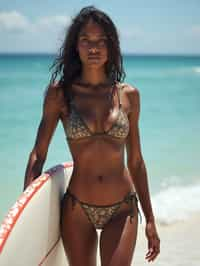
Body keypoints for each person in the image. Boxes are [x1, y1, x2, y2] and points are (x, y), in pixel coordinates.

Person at [23, 5, 160, 266]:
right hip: (77, 208)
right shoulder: (60, 94)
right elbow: (38, 154)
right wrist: (26, 210)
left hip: (123, 208)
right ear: (76, 46)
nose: (94, 48)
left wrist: (150, 219)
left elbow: (136, 162)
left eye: (100, 42)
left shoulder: (128, 96)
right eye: (86, 40)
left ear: (111, 47)